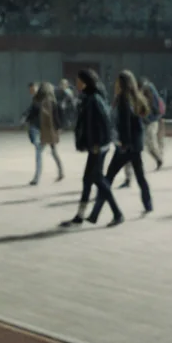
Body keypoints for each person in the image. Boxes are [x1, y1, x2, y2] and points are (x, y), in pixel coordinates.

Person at [60, 69, 121, 227]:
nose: (77, 84)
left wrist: (96, 144)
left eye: (79, 81)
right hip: (96, 145)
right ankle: (80, 216)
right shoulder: (88, 98)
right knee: (88, 179)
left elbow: (103, 124)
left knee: (97, 179)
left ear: (86, 82)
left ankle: (117, 213)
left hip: (98, 146)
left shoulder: (94, 99)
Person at [93, 70, 153, 219]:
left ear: (122, 83)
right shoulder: (136, 98)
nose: (115, 84)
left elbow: (125, 124)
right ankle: (148, 204)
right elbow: (139, 122)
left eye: (117, 81)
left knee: (108, 177)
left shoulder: (123, 100)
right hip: (135, 146)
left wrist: (124, 144)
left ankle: (96, 211)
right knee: (140, 176)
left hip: (125, 146)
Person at [29, 82, 64, 184]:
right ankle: (61, 172)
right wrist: (58, 129)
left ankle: (37, 178)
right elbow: (57, 118)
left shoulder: (39, 101)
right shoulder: (52, 101)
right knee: (53, 152)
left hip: (45, 131)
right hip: (51, 131)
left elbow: (33, 114)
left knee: (39, 152)